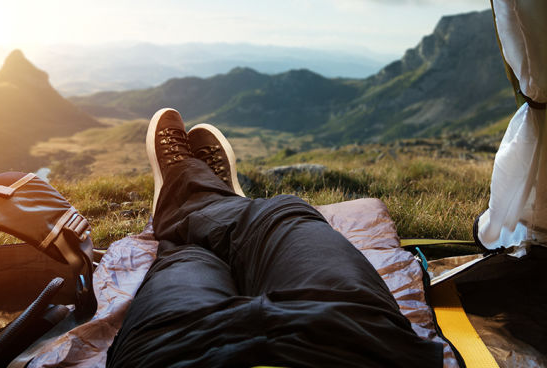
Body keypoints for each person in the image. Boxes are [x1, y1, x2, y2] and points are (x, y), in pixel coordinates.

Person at [105, 108, 445, 367]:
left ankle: (187, 200)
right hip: (351, 339)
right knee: (287, 215)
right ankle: (212, 200)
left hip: (180, 351)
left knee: (183, 255)